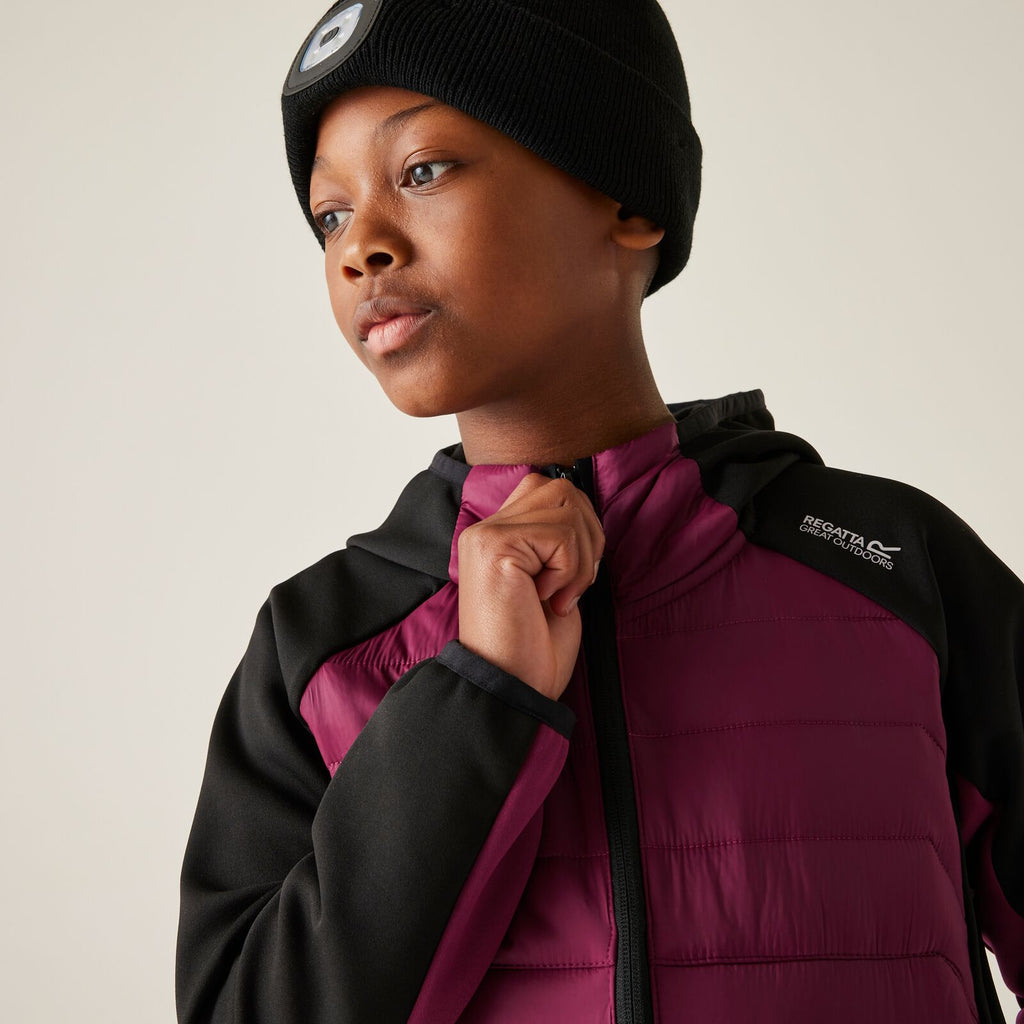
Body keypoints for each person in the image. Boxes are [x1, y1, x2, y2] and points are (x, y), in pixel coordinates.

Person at [176, 1, 1024, 1021]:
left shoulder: (892, 566)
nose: (359, 246)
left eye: (423, 170)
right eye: (329, 215)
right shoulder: (319, 644)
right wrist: (477, 696)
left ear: (625, 201)